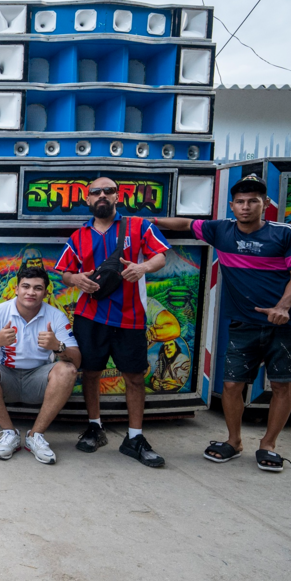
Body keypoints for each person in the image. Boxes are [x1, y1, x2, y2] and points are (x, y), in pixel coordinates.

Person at [155, 174, 291, 472]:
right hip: (244, 322)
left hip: (286, 323)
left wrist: (282, 307)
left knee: (281, 385)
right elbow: (186, 224)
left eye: (253, 201)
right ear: (232, 205)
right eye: (240, 201)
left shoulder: (285, 233)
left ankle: (268, 445)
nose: (246, 206)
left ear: (265, 204)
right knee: (230, 384)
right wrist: (147, 221)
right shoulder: (221, 230)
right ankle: (234, 441)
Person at [54, 176, 169, 468]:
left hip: (130, 317)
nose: (102, 195)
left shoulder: (139, 226)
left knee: (134, 377)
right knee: (90, 372)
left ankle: (135, 437)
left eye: (109, 191)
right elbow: (64, 273)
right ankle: (95, 427)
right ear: (88, 199)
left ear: (118, 196)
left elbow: (160, 257)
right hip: (89, 316)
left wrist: (143, 266)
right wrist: (76, 279)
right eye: (96, 192)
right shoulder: (78, 237)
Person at [0, 266, 81, 464]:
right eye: (26, 286)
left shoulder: (56, 316)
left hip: (38, 381)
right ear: (16, 289)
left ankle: (35, 436)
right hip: (5, 380)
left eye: (38, 288)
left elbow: (77, 360)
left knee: (67, 369)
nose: (31, 292)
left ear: (46, 292)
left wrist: (57, 346)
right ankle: (9, 433)